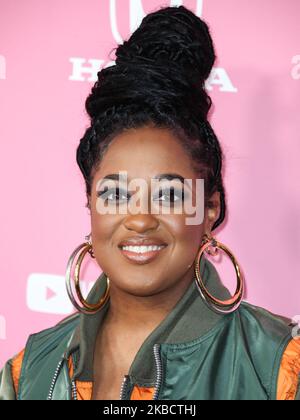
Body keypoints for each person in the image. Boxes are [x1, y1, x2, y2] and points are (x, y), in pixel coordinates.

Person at [0, 5, 299, 401]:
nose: (140, 219)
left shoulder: (279, 369)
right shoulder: (30, 371)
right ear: (90, 204)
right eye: (115, 194)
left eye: (170, 194)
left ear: (209, 209)